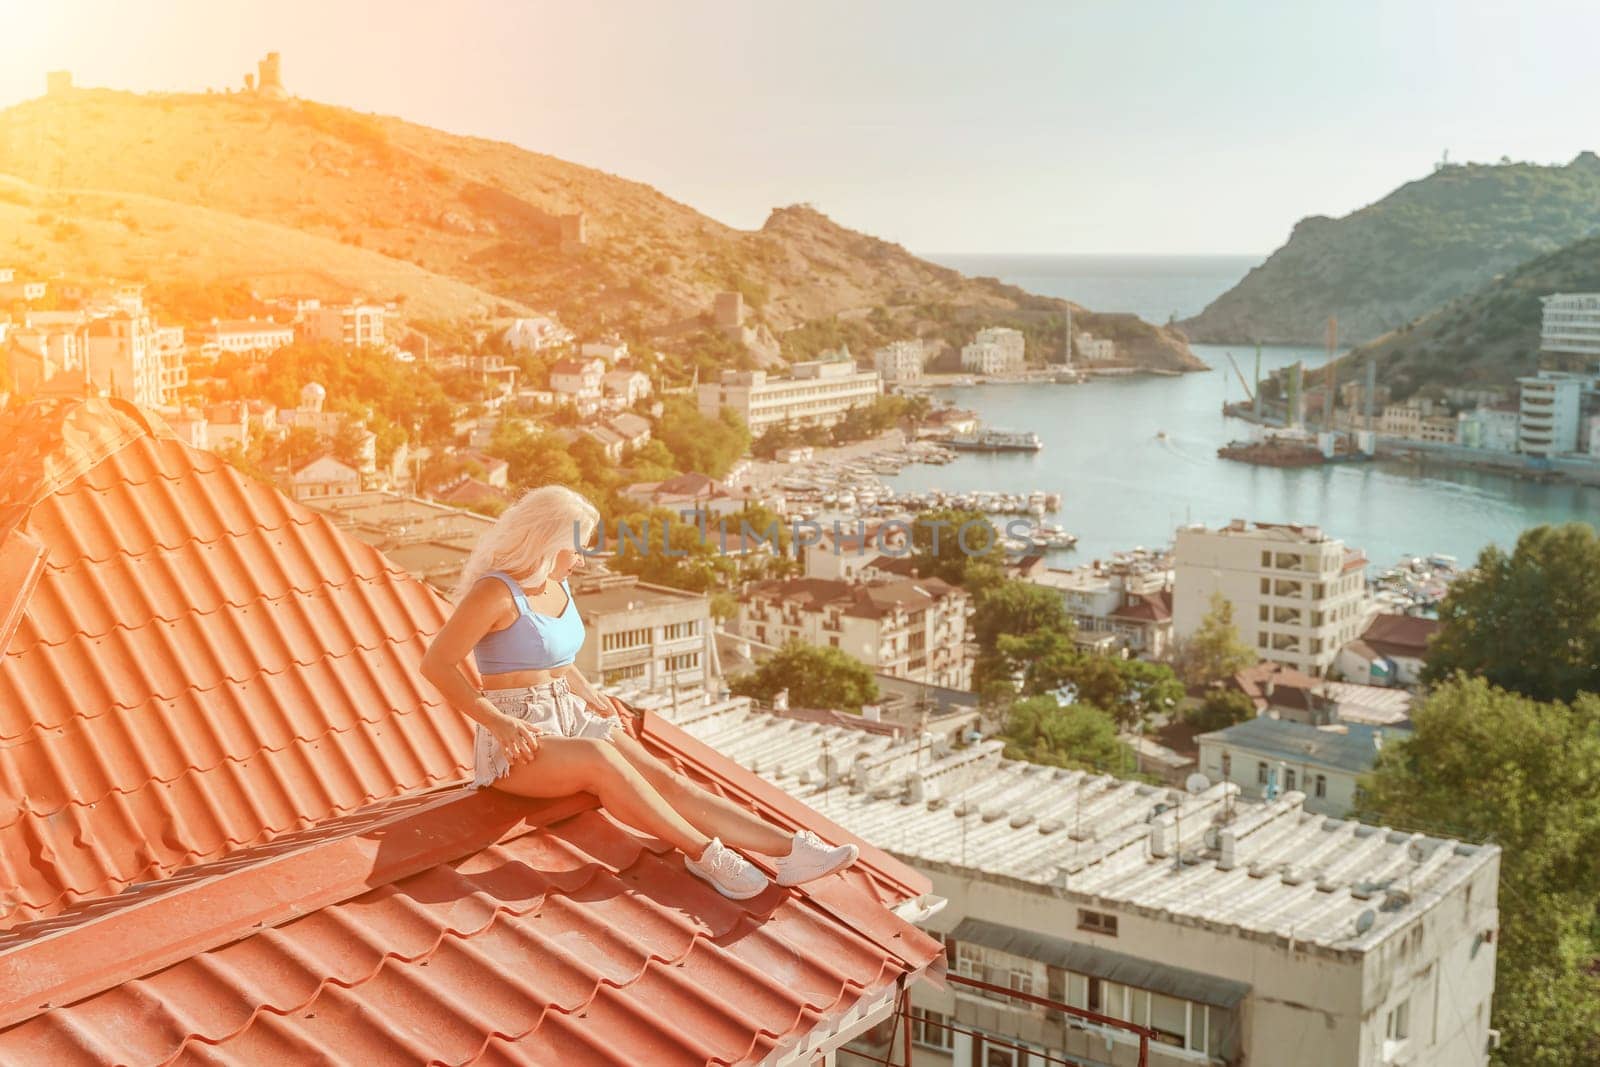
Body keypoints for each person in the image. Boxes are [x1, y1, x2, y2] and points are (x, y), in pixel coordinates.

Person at [421, 484, 858, 899]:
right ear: (548, 539)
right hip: (518, 743)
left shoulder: (558, 585)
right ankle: (706, 855)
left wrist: (588, 693)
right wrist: (499, 723)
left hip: (569, 716)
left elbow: (550, 658)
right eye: (577, 546)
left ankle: (791, 851)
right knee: (601, 759)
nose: (581, 559)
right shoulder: (494, 592)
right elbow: (436, 665)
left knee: (666, 777)